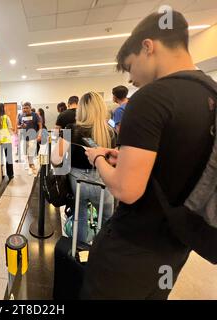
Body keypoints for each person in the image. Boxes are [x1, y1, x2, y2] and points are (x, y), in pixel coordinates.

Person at [83, 10, 215, 299]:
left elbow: (125, 189)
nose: (131, 79)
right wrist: (124, 158)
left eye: (130, 67)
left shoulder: (152, 98)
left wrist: (98, 159)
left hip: (131, 247)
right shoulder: (211, 93)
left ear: (148, 46)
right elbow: (178, 160)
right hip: (176, 244)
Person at [52, 92, 115, 244]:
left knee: (80, 217)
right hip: (103, 180)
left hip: (78, 181)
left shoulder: (71, 128)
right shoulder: (111, 132)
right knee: (107, 219)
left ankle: (79, 250)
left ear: (81, 110)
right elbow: (114, 161)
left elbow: (55, 159)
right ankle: (103, 250)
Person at [17, 102, 42, 175]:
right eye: (23, 108)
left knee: (31, 152)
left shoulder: (35, 115)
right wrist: (21, 126)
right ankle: (30, 165)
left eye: (27, 108)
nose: (25, 109)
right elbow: (18, 125)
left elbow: (40, 126)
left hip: (33, 137)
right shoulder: (21, 116)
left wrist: (39, 135)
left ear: (30, 108)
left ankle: (31, 167)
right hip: (24, 137)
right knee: (26, 152)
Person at [0, 103, 14, 180]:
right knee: (8, 158)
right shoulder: (6, 117)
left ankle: (0, 174)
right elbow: (10, 129)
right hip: (7, 140)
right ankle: (10, 174)